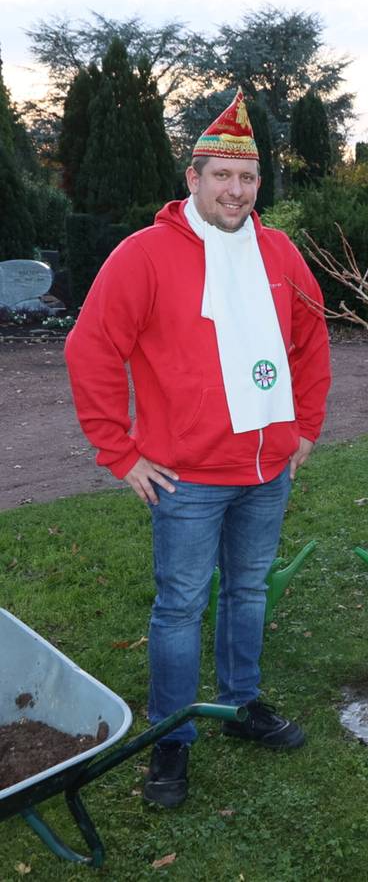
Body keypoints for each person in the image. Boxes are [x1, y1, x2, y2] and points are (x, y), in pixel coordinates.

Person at [65, 90, 332, 804]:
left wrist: (304, 427)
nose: (236, 190)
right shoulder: (145, 255)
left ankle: (242, 704)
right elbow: (90, 349)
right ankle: (172, 739)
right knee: (181, 606)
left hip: (267, 470)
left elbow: (310, 339)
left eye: (247, 179)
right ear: (194, 178)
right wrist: (119, 452)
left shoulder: (279, 252)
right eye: (222, 176)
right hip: (185, 478)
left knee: (247, 591)